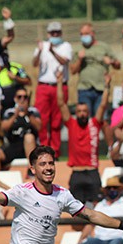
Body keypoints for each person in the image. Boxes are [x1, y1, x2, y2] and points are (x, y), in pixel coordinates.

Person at [58, 70, 110, 207]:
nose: (81, 114)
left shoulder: (94, 123)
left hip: (92, 172)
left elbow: (103, 105)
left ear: (88, 113)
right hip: (77, 172)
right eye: (79, 111)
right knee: (76, 211)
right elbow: (61, 104)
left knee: (97, 208)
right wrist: (59, 82)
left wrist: (107, 86)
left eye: (84, 112)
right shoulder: (72, 124)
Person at [32, 21, 72, 157]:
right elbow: (34, 63)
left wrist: (52, 51)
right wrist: (39, 51)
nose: (55, 35)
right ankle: (42, 149)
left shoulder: (65, 46)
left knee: (56, 121)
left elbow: (64, 61)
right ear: (48, 34)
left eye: (57, 33)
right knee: (42, 120)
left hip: (60, 86)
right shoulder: (42, 46)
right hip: (44, 85)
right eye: (52, 33)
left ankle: (55, 152)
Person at [70, 23, 120, 122]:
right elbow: (73, 71)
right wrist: (80, 60)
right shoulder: (78, 49)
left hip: (101, 88)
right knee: (85, 119)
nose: (84, 36)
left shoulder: (103, 47)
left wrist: (111, 61)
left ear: (92, 34)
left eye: (86, 34)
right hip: (84, 88)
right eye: (81, 34)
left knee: (102, 119)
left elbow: (118, 65)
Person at [0, 87, 40, 173]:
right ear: (15, 98)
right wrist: (15, 115)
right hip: (13, 145)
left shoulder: (33, 111)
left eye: (25, 97)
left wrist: (27, 113)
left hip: (30, 147)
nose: (22, 100)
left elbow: (39, 127)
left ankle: (31, 171)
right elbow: (3, 128)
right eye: (19, 97)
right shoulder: (9, 112)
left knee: (29, 137)